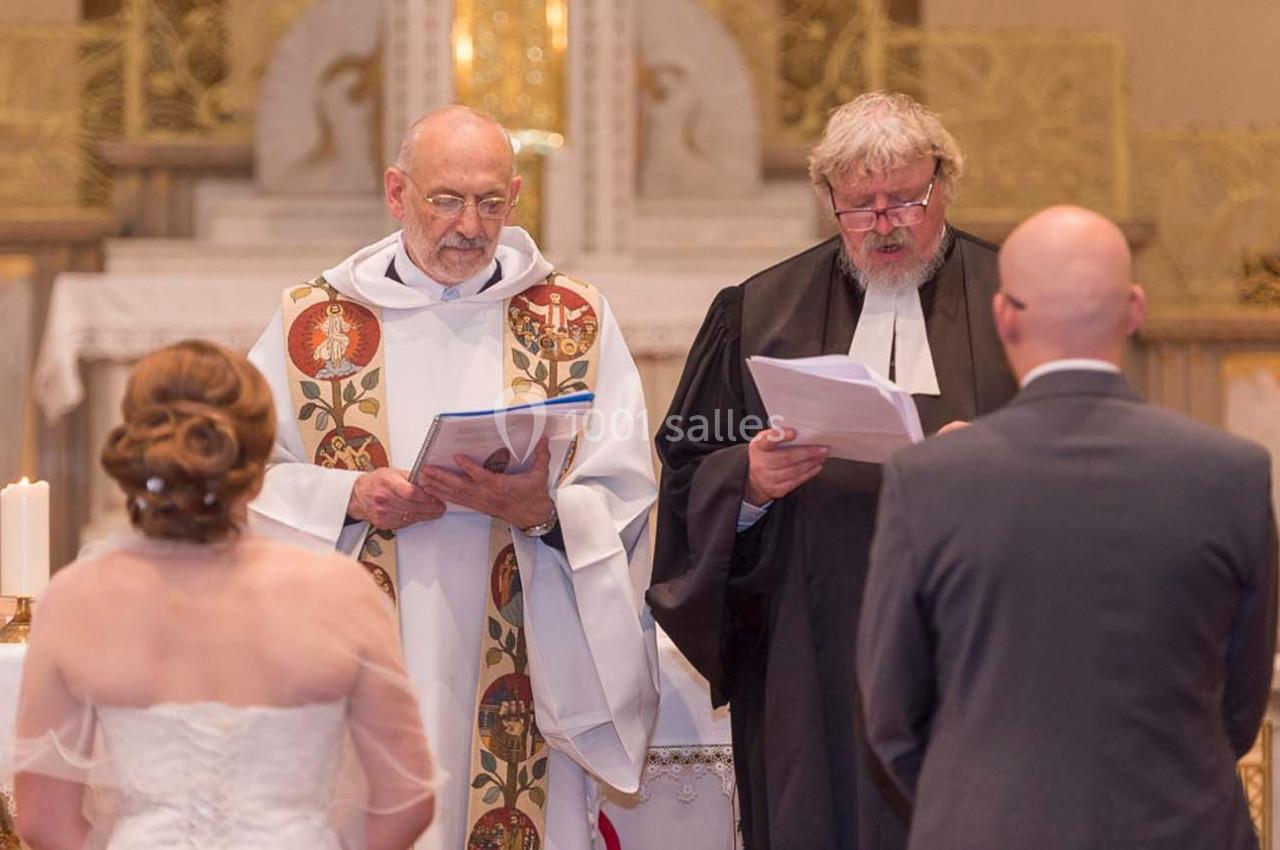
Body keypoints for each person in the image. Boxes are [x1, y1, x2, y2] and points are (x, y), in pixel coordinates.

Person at [246, 105, 659, 850]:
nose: (469, 225)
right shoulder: (315, 322)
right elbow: (246, 481)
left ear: (516, 198)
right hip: (360, 650)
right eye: (445, 200)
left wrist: (542, 514)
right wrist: (349, 497)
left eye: (490, 202)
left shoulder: (571, 319)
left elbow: (623, 488)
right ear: (396, 192)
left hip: (524, 659)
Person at [647, 90, 1018, 850]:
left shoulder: (1016, 301)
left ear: (944, 184)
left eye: (904, 200)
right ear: (828, 201)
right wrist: (748, 482)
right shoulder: (758, 310)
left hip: (981, 638)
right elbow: (688, 467)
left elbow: (1082, 438)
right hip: (808, 647)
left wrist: (995, 462)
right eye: (859, 206)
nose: (884, 225)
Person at [858, 206, 1278, 850]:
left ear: (1004, 317)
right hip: (1182, 827)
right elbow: (1241, 701)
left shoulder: (930, 481)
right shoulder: (1232, 475)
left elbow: (892, 713)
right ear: (1134, 310)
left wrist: (975, 801)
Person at [10, 340, 435, 850]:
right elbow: (407, 801)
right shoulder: (341, 592)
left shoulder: (77, 597)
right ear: (258, 462)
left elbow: (42, 820)